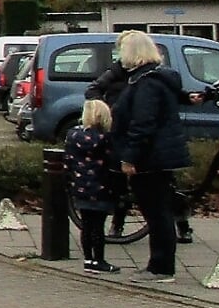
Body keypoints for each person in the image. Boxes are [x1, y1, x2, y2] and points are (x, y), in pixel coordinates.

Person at [108, 30, 190, 283]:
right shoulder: (156, 79)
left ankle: (161, 268)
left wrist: (130, 156)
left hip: (151, 157)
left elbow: (143, 123)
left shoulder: (146, 83)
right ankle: (159, 264)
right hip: (159, 154)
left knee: (156, 211)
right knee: (158, 210)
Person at [63, 98, 121, 274]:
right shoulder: (106, 140)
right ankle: (99, 260)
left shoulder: (72, 136)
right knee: (98, 226)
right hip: (101, 187)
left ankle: (88, 259)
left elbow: (68, 161)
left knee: (86, 225)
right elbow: (113, 162)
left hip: (80, 187)